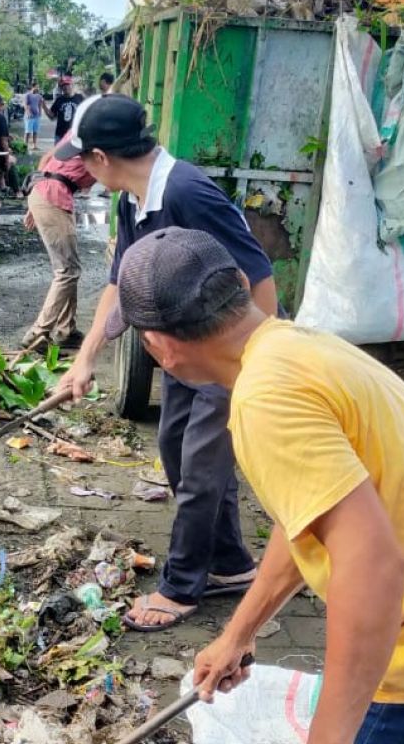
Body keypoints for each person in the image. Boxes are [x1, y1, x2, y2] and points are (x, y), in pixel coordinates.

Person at [107, 226, 404, 744]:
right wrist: (239, 633)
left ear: (159, 344)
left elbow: (373, 565)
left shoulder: (266, 399)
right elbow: (307, 520)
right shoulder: (298, 345)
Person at [54, 94, 278, 632]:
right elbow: (120, 281)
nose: (80, 169)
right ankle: (228, 564)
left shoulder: (187, 191)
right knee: (176, 449)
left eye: (82, 159)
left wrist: (257, 362)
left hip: (230, 354)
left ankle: (181, 588)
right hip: (186, 349)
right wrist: (84, 361)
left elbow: (260, 275)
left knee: (202, 469)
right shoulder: (134, 199)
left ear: (103, 158)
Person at [20, 133, 96, 351]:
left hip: (47, 192)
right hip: (52, 195)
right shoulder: (99, 135)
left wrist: (37, 199)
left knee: (69, 268)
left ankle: (66, 331)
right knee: (67, 270)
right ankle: (37, 333)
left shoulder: (79, 131)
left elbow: (46, 158)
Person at [44, 76, 84, 141]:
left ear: (72, 85)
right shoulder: (59, 100)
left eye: (67, 85)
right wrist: (44, 106)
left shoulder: (80, 97)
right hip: (60, 135)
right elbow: (52, 117)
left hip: (75, 136)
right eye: (63, 85)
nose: (65, 87)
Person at [24, 83, 43, 151]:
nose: (37, 88)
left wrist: (40, 112)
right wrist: (28, 112)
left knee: (35, 131)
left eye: (38, 87)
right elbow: (25, 105)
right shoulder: (28, 95)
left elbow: (40, 104)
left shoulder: (39, 96)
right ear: (32, 87)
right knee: (28, 132)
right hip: (29, 117)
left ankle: (35, 145)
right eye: (36, 87)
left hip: (36, 116)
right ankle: (25, 146)